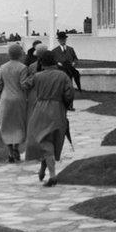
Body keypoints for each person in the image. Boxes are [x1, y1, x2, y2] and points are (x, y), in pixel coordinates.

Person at [23, 50, 74, 187]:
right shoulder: (62, 76)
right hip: (58, 110)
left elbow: (25, 85)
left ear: (41, 62)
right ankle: (43, 169)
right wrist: (66, 104)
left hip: (41, 109)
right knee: (51, 141)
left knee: (43, 140)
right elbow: (69, 94)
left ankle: (52, 175)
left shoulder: (37, 76)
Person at [0, 44, 29, 163]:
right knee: (19, 124)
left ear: (8, 54)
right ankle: (16, 148)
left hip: (5, 99)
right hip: (19, 99)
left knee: (6, 125)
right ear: (20, 54)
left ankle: (10, 152)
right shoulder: (23, 67)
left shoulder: (3, 67)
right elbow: (24, 84)